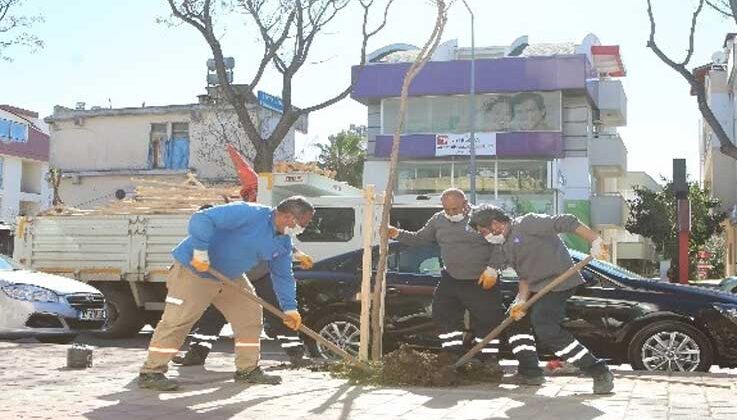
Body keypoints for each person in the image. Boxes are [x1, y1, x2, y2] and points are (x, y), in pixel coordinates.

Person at [137, 196, 315, 391]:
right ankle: (152, 372)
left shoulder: (282, 242)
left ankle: (247, 370)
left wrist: (290, 309)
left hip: (229, 277)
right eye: (302, 224)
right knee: (177, 322)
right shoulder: (249, 213)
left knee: (250, 317)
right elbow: (202, 218)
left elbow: (283, 276)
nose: (302, 229)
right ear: (288, 217)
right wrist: (200, 251)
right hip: (194, 270)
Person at [387, 188, 544, 384]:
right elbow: (420, 238)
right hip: (451, 278)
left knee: (488, 321)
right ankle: (452, 354)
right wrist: (396, 233)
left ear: (465, 204)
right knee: (442, 313)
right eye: (447, 209)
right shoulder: (438, 220)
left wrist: (493, 268)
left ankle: (488, 360)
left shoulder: (481, 218)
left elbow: (501, 244)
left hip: (480, 280)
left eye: (455, 209)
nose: (451, 213)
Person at [468, 204, 614, 394]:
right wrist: (520, 301)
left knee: (545, 325)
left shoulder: (528, 223)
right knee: (513, 322)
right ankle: (531, 372)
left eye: (483, 231)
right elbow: (525, 276)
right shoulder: (505, 245)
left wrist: (595, 241)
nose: (483, 236)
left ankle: (598, 370)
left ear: (495, 224)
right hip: (536, 287)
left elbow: (566, 221)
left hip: (559, 283)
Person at [172, 252, 314, 368]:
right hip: (230, 277)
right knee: (214, 314)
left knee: (276, 313)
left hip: (260, 276)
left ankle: (297, 354)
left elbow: (281, 242)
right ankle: (197, 353)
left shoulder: (260, 224)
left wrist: (297, 253)